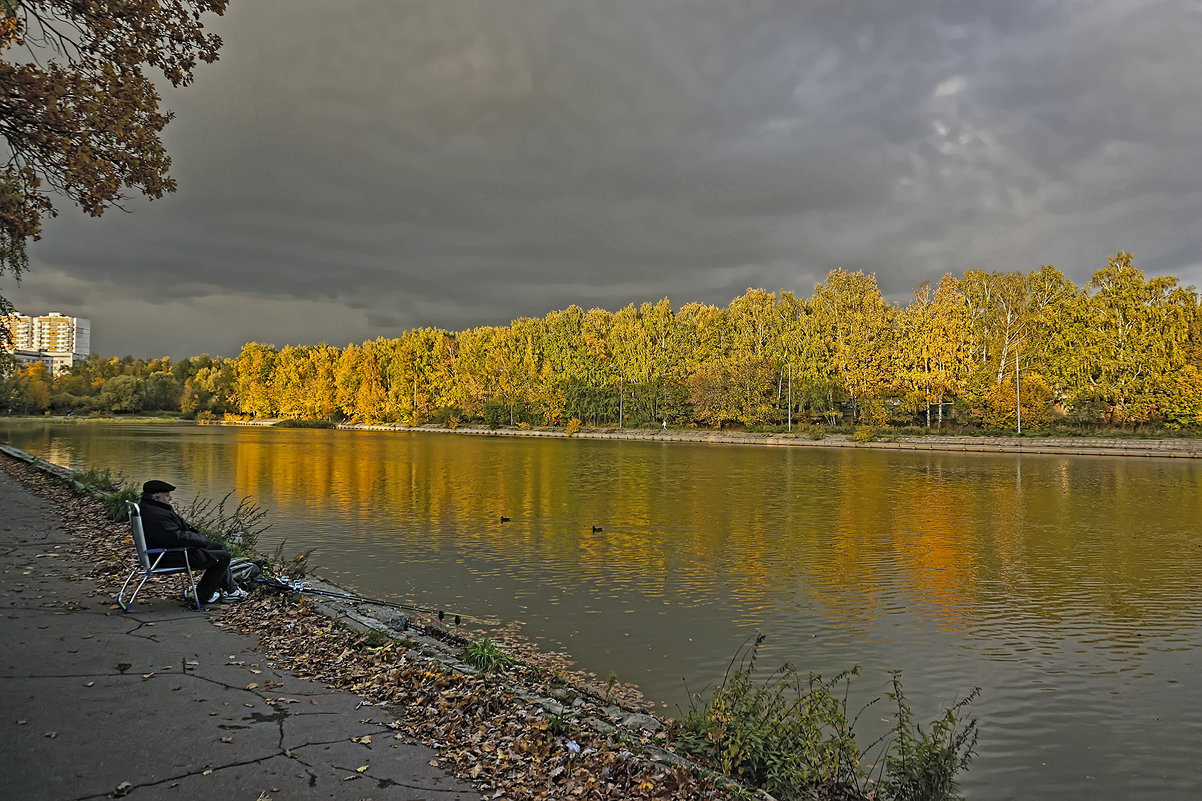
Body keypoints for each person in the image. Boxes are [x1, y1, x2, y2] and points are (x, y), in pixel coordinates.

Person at [138, 479, 247, 605]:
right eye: (167, 495)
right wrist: (200, 539)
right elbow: (175, 537)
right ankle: (204, 595)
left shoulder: (149, 508)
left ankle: (230, 589)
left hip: (161, 551)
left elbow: (173, 535)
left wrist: (199, 539)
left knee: (217, 547)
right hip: (168, 555)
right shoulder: (157, 514)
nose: (170, 498)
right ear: (156, 497)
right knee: (223, 557)